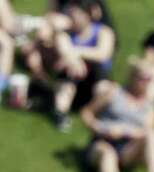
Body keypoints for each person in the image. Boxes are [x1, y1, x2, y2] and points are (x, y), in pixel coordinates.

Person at [79, 63, 154, 172]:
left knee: (153, 136)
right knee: (108, 154)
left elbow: (148, 129)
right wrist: (100, 129)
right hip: (103, 141)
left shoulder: (150, 104)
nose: (145, 83)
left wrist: (125, 132)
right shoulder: (114, 93)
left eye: (149, 79)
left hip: (128, 147)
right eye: (142, 78)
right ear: (132, 77)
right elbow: (86, 113)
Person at [24, 1, 115, 131]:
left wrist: (76, 53)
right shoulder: (64, 35)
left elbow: (102, 54)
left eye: (75, 14)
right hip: (74, 76)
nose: (70, 18)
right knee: (70, 72)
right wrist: (74, 59)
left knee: (104, 86)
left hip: (96, 78)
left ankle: (97, 114)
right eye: (69, 14)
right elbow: (65, 52)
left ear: (87, 15)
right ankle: (59, 113)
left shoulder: (103, 32)